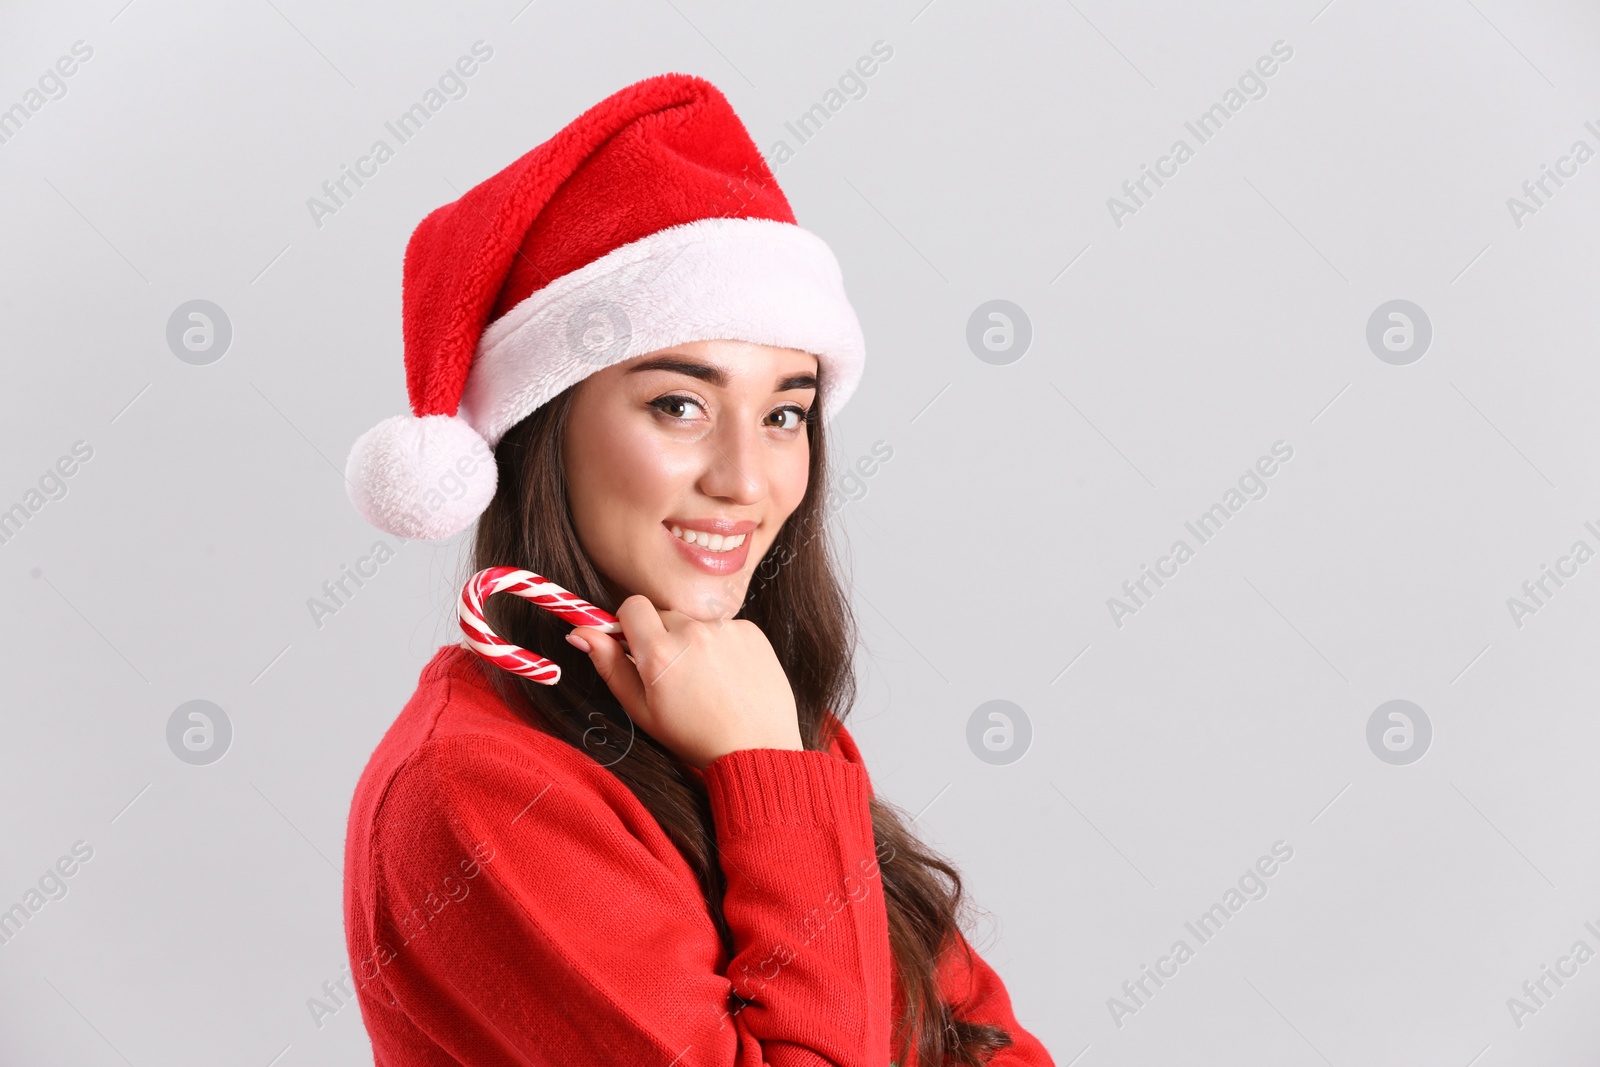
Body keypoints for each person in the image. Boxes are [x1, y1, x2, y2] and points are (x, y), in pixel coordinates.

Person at [339, 72, 1055, 1067]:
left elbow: (984, 1043)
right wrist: (771, 779)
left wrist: (767, 757)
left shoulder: (740, 705)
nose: (747, 478)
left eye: (785, 412)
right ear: (545, 428)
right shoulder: (477, 787)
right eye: (679, 403)